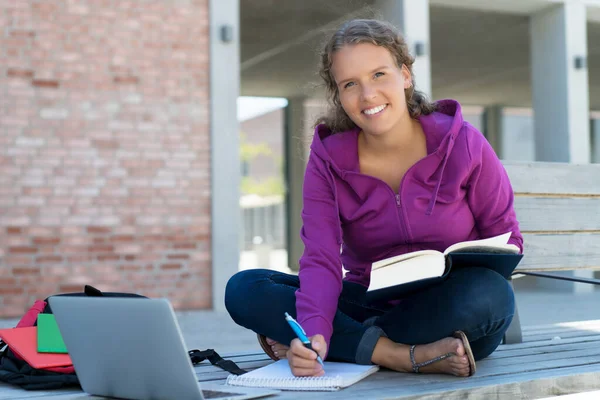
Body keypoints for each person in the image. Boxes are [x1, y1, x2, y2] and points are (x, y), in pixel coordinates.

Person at [225, 18, 523, 378]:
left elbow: (508, 237)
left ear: (405, 75)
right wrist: (317, 330)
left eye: (379, 75)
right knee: (246, 288)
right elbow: (321, 258)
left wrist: (319, 333)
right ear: (338, 93)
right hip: (369, 301)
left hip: (451, 309)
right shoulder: (328, 161)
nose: (367, 96)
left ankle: (350, 346)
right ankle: (401, 355)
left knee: (488, 294)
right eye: (351, 84)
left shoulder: (463, 142)